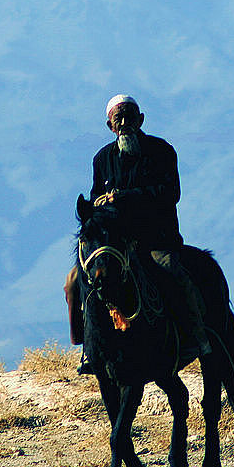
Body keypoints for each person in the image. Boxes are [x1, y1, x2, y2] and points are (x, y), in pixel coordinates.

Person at [67, 94, 212, 374]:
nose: (124, 124)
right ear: (109, 126)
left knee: (174, 271)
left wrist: (125, 197)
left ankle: (196, 338)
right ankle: (88, 347)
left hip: (156, 240)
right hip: (115, 244)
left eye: (129, 117)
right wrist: (100, 203)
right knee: (74, 280)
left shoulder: (161, 151)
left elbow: (170, 193)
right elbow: (97, 196)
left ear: (141, 120)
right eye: (117, 119)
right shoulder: (102, 159)